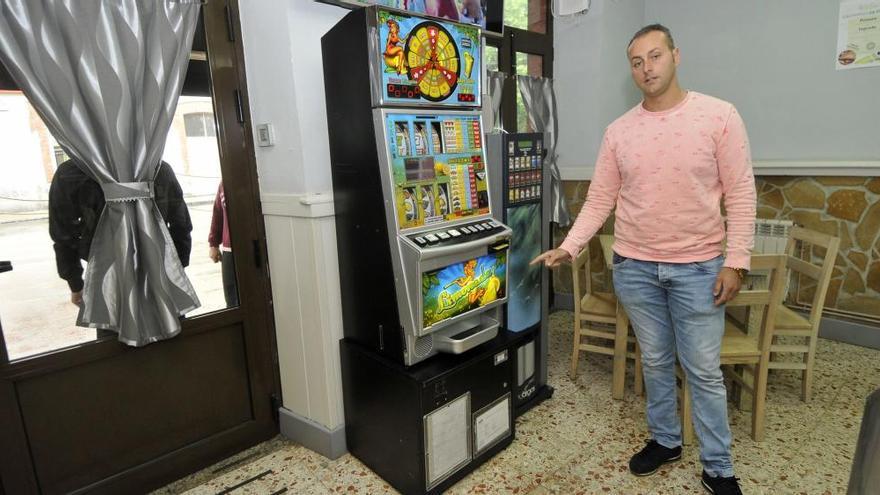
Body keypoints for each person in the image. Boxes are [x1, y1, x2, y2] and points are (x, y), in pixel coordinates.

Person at [531, 24, 755, 495]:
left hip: (699, 268)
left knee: (703, 371)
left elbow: (740, 194)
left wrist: (735, 261)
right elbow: (599, 200)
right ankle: (666, 441)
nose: (646, 68)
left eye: (655, 56)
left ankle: (719, 467)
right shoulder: (620, 131)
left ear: (675, 55)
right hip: (634, 268)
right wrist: (569, 246)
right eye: (637, 61)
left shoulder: (719, 116)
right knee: (653, 360)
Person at [49, 158, 193, 307]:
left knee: (116, 327)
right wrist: (177, 270)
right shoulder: (157, 167)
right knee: (170, 326)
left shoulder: (74, 171)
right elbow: (181, 225)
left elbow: (63, 234)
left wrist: (75, 284)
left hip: (106, 278)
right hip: (159, 271)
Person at [208, 182, 238, 307]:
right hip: (229, 249)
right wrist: (213, 244)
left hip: (254, 246)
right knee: (231, 297)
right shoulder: (223, 184)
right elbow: (217, 214)